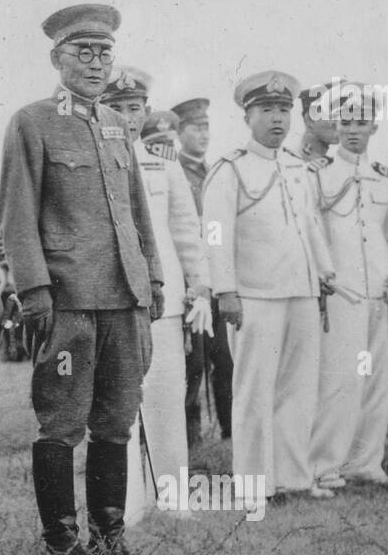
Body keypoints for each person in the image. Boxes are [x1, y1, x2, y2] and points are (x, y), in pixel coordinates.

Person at [0, 5, 165, 555]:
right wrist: (33, 289)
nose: (95, 64)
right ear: (57, 58)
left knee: (117, 418)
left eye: (104, 53)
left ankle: (110, 542)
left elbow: (138, 211)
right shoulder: (33, 121)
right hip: (68, 298)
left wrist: (154, 276)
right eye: (82, 53)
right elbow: (17, 213)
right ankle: (61, 545)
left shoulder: (117, 124)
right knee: (62, 420)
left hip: (125, 298)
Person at [202, 70, 336, 503]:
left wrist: (324, 271)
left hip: (301, 289)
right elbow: (216, 233)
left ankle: (294, 477)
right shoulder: (230, 168)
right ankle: (253, 485)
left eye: (283, 110)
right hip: (254, 294)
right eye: (266, 110)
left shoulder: (297, 166)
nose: (277, 119)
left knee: (299, 386)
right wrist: (225, 290)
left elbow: (310, 224)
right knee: (254, 389)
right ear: (248, 116)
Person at [102, 87, 210, 519]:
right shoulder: (94, 159)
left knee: (167, 399)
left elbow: (185, 229)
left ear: (146, 112)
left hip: (163, 301)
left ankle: (174, 497)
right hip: (113, 300)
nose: (128, 117)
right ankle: (128, 503)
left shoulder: (163, 165)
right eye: (118, 108)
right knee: (120, 405)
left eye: (134, 108)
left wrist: (200, 285)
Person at [307, 83, 388, 488]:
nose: (353, 130)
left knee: (375, 380)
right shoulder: (319, 174)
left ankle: (366, 463)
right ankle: (326, 466)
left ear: (374, 128)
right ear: (335, 125)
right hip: (342, 294)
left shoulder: (384, 180)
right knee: (340, 381)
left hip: (380, 294)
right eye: (346, 122)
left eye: (361, 122)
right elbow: (313, 229)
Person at [173, 96, 232, 448]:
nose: (203, 133)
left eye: (207, 126)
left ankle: (229, 429)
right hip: (189, 279)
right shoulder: (175, 170)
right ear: (180, 133)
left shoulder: (214, 171)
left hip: (216, 274)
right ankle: (189, 436)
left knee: (223, 357)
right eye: (196, 127)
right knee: (191, 359)